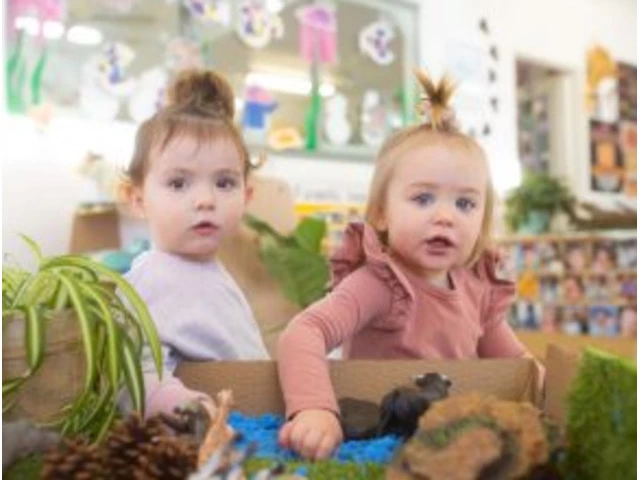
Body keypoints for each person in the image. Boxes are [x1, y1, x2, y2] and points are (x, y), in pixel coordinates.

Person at [277, 69, 542, 460]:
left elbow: (516, 364)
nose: (445, 217)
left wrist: (547, 388)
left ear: (482, 220)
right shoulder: (380, 283)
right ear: (381, 214)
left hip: (452, 438)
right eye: (423, 199)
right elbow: (303, 332)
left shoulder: (477, 288)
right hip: (381, 437)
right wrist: (314, 408)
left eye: (465, 203)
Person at [120, 69, 269, 417]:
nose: (205, 200)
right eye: (178, 184)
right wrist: (187, 409)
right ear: (138, 199)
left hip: (252, 421)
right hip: (198, 431)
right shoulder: (150, 281)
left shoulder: (215, 273)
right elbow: (132, 376)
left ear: (246, 196)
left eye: (224, 183)